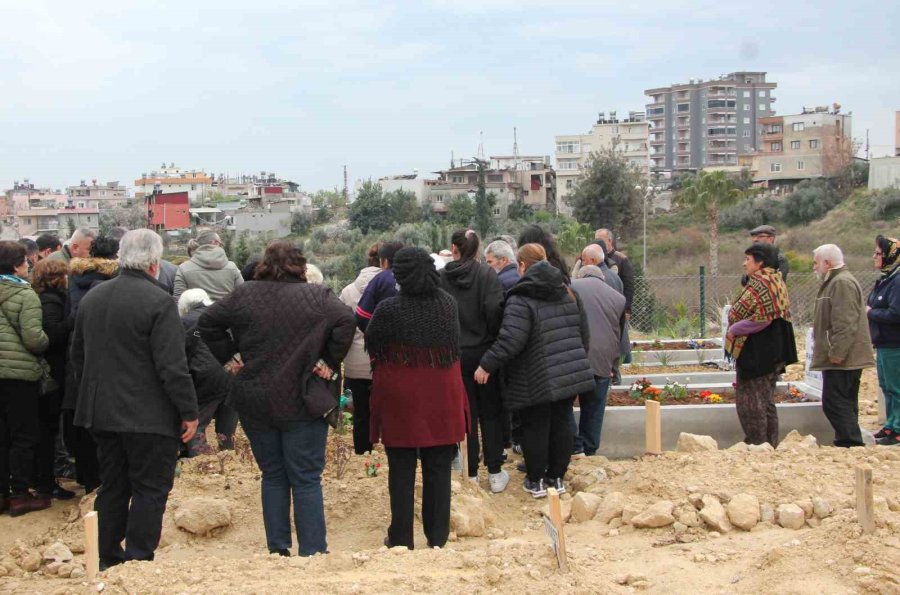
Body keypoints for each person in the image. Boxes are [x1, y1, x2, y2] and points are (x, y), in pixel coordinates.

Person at [199, 240, 355, 556]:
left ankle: (278, 550)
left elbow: (207, 322)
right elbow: (347, 321)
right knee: (306, 479)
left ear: (264, 264)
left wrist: (230, 357)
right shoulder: (317, 295)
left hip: (256, 399)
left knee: (273, 476)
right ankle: (312, 552)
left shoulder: (245, 294)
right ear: (300, 265)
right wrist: (327, 359)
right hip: (303, 398)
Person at [72, 230, 198, 567]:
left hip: (101, 412)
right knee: (150, 488)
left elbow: (78, 358)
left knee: (113, 486)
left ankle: (107, 558)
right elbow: (172, 366)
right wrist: (188, 411)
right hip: (149, 416)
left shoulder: (92, 298)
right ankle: (139, 560)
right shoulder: (159, 301)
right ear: (155, 263)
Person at [365, 247, 469, 549]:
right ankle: (437, 536)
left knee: (401, 468)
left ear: (399, 275)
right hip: (442, 395)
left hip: (401, 397)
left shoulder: (388, 309)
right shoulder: (448, 305)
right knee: (438, 466)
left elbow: (372, 343)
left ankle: (401, 537)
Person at [475, 244, 594, 498]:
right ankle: (557, 478)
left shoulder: (521, 298)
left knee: (535, 426)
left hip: (534, 374)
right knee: (562, 423)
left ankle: (536, 479)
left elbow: (511, 340)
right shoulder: (568, 291)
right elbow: (583, 334)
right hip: (567, 372)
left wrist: (487, 364)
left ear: (521, 266)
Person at [440, 230, 507, 493]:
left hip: (454, 354)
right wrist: (490, 338)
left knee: (465, 414)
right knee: (490, 412)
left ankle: (470, 472)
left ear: (454, 248)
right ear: (477, 250)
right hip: (484, 354)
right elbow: (494, 310)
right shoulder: (487, 275)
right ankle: (495, 471)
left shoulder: (443, 277)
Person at [725, 243, 798, 446]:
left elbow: (762, 318)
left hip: (760, 352)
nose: (744, 263)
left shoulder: (762, 283)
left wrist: (734, 329)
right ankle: (770, 443)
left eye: (748, 259)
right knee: (766, 401)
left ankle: (758, 443)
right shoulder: (774, 280)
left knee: (752, 402)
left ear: (760, 262)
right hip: (774, 349)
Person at [63, 235, 119, 493]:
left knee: (83, 419)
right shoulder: (114, 279)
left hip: (79, 350)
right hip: (108, 353)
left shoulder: (75, 276)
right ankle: (107, 481)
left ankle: (87, 480)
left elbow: (70, 314)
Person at [0, 240, 50, 516]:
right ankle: (20, 494)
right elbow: (33, 339)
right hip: (18, 376)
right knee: (23, 435)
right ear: (18, 264)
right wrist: (47, 341)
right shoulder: (25, 294)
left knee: (2, 435)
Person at [810, 244, 875, 447]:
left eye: (816, 263)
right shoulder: (835, 282)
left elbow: (845, 322)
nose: (814, 268)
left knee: (835, 402)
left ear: (827, 263)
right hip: (842, 355)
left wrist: (837, 351)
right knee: (844, 402)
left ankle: (851, 443)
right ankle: (848, 441)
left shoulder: (841, 283)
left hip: (844, 357)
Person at [30, 259, 76, 500]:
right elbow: (51, 335)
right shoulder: (51, 301)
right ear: (57, 277)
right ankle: (46, 482)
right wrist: (72, 321)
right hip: (52, 374)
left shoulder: (43, 298)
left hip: (49, 373)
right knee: (48, 430)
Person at [570, 264, 626, 456]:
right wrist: (614, 365)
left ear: (581, 275)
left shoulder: (570, 286)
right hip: (603, 358)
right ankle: (589, 448)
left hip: (574, 356)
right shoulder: (618, 298)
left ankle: (575, 445)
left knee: (564, 405)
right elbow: (618, 334)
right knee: (594, 407)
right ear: (602, 279)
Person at [340, 243, 382, 455]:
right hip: (383, 360)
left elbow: (342, 326)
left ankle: (361, 451)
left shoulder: (348, 291)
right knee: (386, 409)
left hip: (355, 361)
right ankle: (382, 452)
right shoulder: (392, 286)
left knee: (361, 412)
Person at [177, 289, 231, 457]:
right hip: (231, 371)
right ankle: (229, 455)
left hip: (205, 376)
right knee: (228, 420)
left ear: (185, 307)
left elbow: (181, 353)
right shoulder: (224, 316)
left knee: (197, 421)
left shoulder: (184, 321)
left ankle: (199, 460)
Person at [867, 236, 900, 445]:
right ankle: (890, 425)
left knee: (896, 387)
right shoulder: (886, 279)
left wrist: (871, 313)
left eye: (879, 253)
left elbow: (896, 313)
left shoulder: (897, 281)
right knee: (886, 386)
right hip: (883, 342)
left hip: (894, 343)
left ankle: (898, 428)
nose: (875, 257)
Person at [595, 228, 634, 364]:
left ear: (610, 241)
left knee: (622, 337)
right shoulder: (592, 258)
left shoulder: (621, 259)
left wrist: (627, 309)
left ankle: (626, 361)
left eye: (601, 240)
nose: (598, 242)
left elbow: (629, 285)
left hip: (618, 306)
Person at [173, 230, 243, 302]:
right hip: (226, 312)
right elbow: (242, 295)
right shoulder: (232, 267)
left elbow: (178, 301)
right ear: (214, 242)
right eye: (220, 244)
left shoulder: (183, 269)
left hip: (195, 312)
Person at [355, 241, 404, 333]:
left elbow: (361, 316)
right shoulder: (419, 276)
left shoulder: (382, 279)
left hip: (387, 342)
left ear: (385, 262)